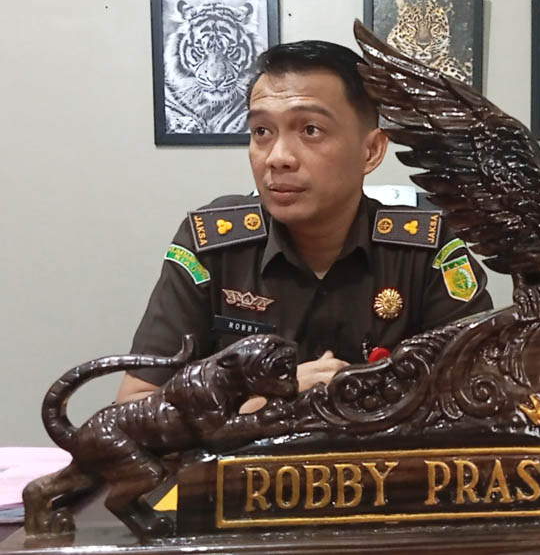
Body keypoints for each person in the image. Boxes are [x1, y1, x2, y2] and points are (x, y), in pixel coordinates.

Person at [115, 41, 493, 408]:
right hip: (247, 454)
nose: (277, 157)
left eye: (311, 130)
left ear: (371, 150)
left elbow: (483, 394)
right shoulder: (211, 245)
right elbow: (135, 405)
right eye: (262, 132)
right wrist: (268, 398)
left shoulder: (426, 250)